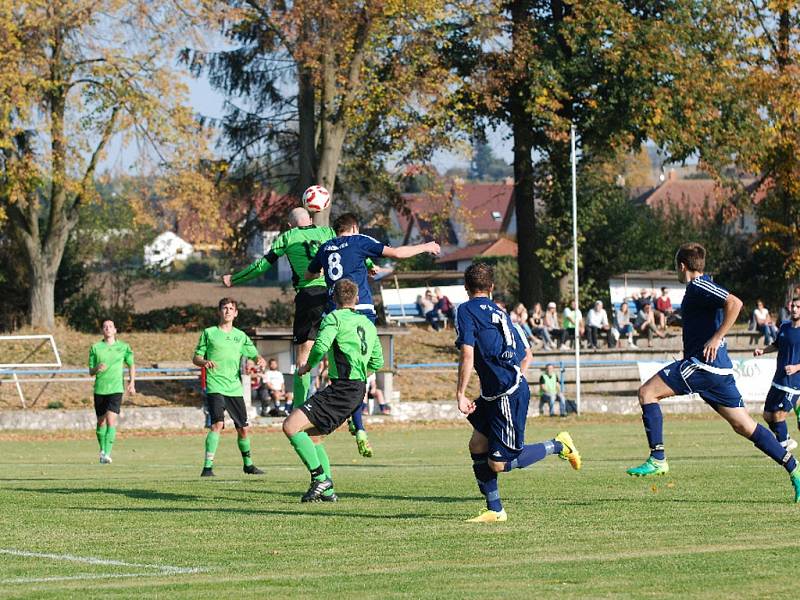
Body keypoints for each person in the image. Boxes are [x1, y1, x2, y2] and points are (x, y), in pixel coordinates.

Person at [627, 243, 800, 502]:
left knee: (646, 393)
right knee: (744, 425)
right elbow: (709, 315)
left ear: (682, 266)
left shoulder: (699, 285)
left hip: (702, 365)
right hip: (717, 372)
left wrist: (717, 338)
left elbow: (735, 303)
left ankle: (658, 457)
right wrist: (681, 320)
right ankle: (794, 469)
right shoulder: (699, 290)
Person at [455, 263, 581, 523]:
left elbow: (467, 353)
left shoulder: (466, 310)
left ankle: (559, 445)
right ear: (491, 288)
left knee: (499, 464)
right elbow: (525, 353)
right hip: (497, 392)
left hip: (505, 394)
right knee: (477, 444)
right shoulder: (500, 314)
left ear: (466, 288)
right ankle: (495, 509)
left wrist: (460, 393)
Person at [307, 212, 440, 456]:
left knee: (341, 374)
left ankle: (357, 426)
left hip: (333, 313)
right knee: (360, 372)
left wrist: (356, 268)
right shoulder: (360, 240)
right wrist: (426, 246)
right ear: (355, 227)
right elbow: (398, 253)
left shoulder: (325, 247)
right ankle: (358, 427)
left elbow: (309, 274)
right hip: (361, 311)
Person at [282, 279, 384, 502]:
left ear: (333, 298)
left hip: (343, 388)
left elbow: (320, 345)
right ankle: (328, 493)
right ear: (356, 299)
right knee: (314, 437)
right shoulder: (367, 324)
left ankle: (320, 479)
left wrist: (308, 366)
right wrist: (358, 377)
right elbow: (377, 361)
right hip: (356, 389)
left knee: (290, 426)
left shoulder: (333, 318)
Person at [193, 297, 267, 477]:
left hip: (234, 388)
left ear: (236, 313)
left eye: (231, 308)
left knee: (243, 429)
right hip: (215, 385)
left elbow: (254, 355)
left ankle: (248, 465)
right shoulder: (209, 333)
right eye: (224, 308)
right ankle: (207, 467)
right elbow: (196, 358)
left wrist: (260, 360)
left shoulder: (240, 336)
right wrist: (204, 362)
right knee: (217, 424)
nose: (227, 311)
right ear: (219, 312)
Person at [754, 297, 800, 452]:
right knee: (767, 415)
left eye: (798, 307)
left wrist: (796, 367)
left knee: (779, 415)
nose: (794, 309)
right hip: (778, 379)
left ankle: (781, 448)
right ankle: (785, 440)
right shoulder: (785, 326)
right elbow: (776, 345)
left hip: (794, 382)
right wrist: (762, 351)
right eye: (793, 306)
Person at [88, 319, 135, 464]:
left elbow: (131, 364)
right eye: (105, 326)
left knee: (111, 421)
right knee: (101, 422)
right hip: (100, 389)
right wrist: (97, 368)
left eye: (110, 326)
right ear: (102, 330)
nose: (108, 328)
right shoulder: (95, 348)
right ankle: (102, 450)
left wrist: (131, 382)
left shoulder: (124, 347)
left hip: (116, 388)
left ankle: (107, 453)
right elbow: (90, 371)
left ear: (115, 330)